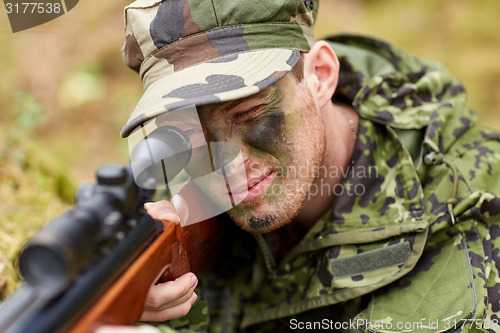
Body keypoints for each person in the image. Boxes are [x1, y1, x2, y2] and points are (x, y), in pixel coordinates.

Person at [97, 0, 500, 332]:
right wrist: (133, 300)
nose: (228, 165)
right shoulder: (180, 190)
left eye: (251, 114)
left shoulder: (463, 241)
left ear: (320, 76)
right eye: (189, 133)